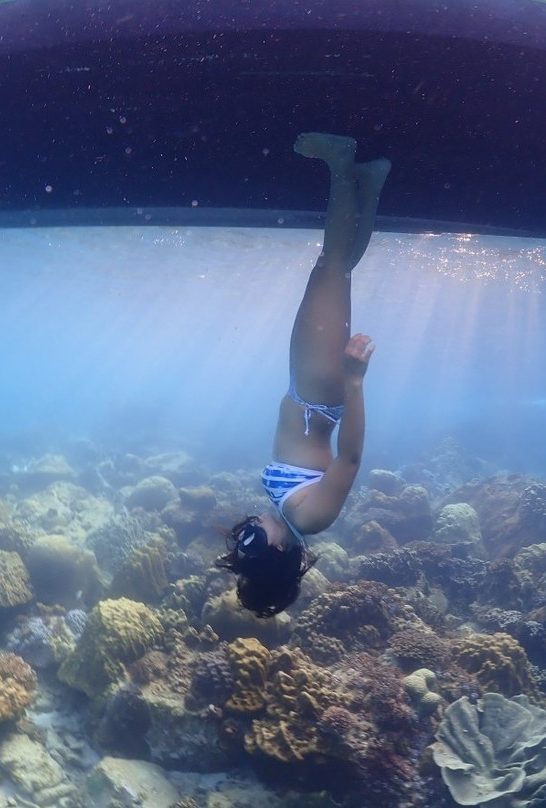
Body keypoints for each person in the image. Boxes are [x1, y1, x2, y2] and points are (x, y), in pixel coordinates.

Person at [216, 132, 391, 618]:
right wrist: (355, 380)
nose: (246, 527)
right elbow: (350, 459)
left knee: (338, 271)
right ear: (276, 555)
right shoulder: (308, 518)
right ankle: (341, 161)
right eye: (249, 541)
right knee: (331, 266)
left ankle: (371, 181)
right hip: (320, 389)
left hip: (309, 388)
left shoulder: (287, 517)